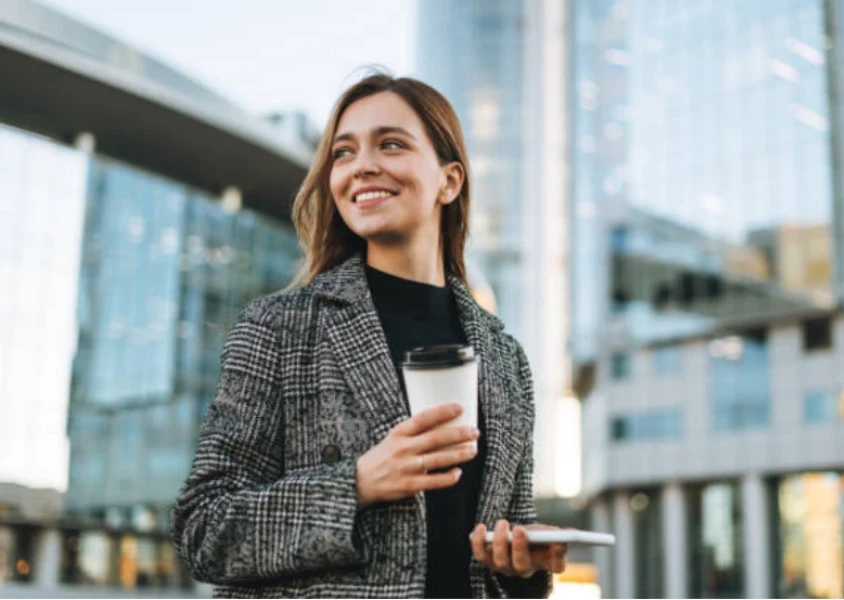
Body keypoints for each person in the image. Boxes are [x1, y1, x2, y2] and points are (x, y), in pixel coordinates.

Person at [170, 71, 567, 598]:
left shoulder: (507, 358)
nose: (362, 166)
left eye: (392, 144)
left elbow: (506, 551)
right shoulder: (281, 328)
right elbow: (204, 529)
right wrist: (357, 484)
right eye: (343, 152)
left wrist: (524, 568)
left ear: (450, 181)